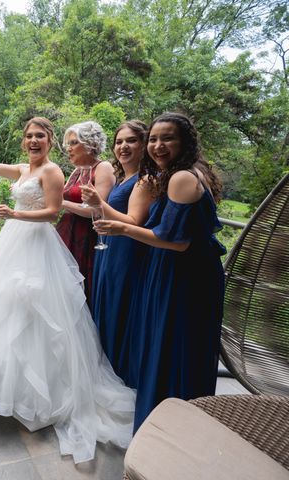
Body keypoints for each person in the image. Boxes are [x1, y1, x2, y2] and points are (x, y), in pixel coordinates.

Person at [0, 117, 136, 464]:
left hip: (37, 245)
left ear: (50, 140)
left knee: (36, 310)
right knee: (1, 307)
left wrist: (14, 212)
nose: (33, 141)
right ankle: (2, 384)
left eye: (40, 136)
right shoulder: (24, 168)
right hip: (13, 242)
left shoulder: (53, 171)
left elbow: (53, 213)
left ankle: (36, 392)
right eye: (28, 136)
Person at [93, 112, 225, 432]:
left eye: (167, 138)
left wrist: (121, 230)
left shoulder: (181, 178)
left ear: (185, 142)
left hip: (182, 273)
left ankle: (167, 427)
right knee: (182, 346)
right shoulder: (186, 172)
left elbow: (175, 242)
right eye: (153, 138)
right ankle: (185, 421)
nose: (158, 145)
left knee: (171, 345)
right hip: (186, 270)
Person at [81, 120, 152, 385]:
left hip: (127, 251)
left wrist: (99, 203)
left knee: (119, 310)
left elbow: (133, 221)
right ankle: (106, 370)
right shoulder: (123, 178)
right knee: (105, 307)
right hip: (108, 248)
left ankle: (121, 375)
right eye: (119, 141)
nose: (123, 146)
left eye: (131, 140)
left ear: (144, 145)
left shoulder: (145, 179)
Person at [55, 121, 115, 304]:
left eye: (74, 143)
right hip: (66, 233)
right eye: (68, 144)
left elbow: (97, 210)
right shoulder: (76, 171)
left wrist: (62, 203)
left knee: (80, 287)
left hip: (86, 236)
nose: (68, 149)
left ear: (90, 145)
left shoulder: (103, 168)